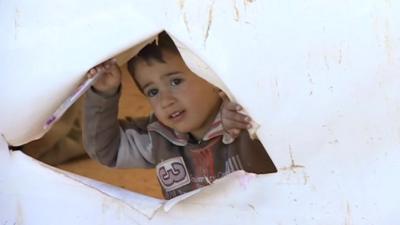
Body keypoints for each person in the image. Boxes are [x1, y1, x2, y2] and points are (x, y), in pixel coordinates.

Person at [83, 32, 276, 199]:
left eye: (175, 82)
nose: (166, 101)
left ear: (213, 78)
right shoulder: (158, 136)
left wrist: (243, 125)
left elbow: (281, 177)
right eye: (153, 92)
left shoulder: (243, 117)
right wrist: (104, 93)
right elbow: (107, 151)